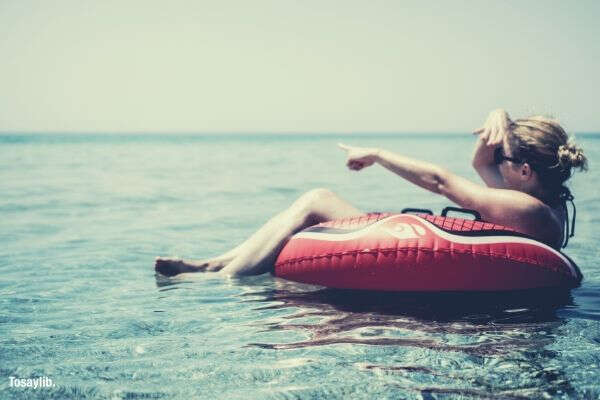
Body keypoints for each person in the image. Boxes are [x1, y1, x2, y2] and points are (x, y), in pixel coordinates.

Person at [155, 109, 588, 277]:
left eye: (504, 158)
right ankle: (216, 262)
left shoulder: (524, 208)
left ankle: (223, 279)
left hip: (456, 268)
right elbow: (481, 162)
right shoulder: (542, 204)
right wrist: (501, 116)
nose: (494, 162)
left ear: (526, 170)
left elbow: (441, 181)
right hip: (476, 267)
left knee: (313, 201)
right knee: (318, 198)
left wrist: (378, 154)